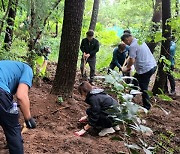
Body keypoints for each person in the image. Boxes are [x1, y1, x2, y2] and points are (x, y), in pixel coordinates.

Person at [0, 60, 36, 154]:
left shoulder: (7, 67)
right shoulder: (27, 69)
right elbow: (21, 96)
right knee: (12, 128)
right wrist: (28, 119)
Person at [121, 33, 157, 110]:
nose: (126, 44)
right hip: (151, 65)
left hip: (145, 69)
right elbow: (131, 57)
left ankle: (147, 107)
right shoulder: (139, 41)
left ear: (127, 39)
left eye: (125, 42)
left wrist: (127, 67)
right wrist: (126, 64)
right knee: (134, 81)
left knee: (143, 87)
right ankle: (129, 98)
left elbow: (132, 59)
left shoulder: (133, 46)